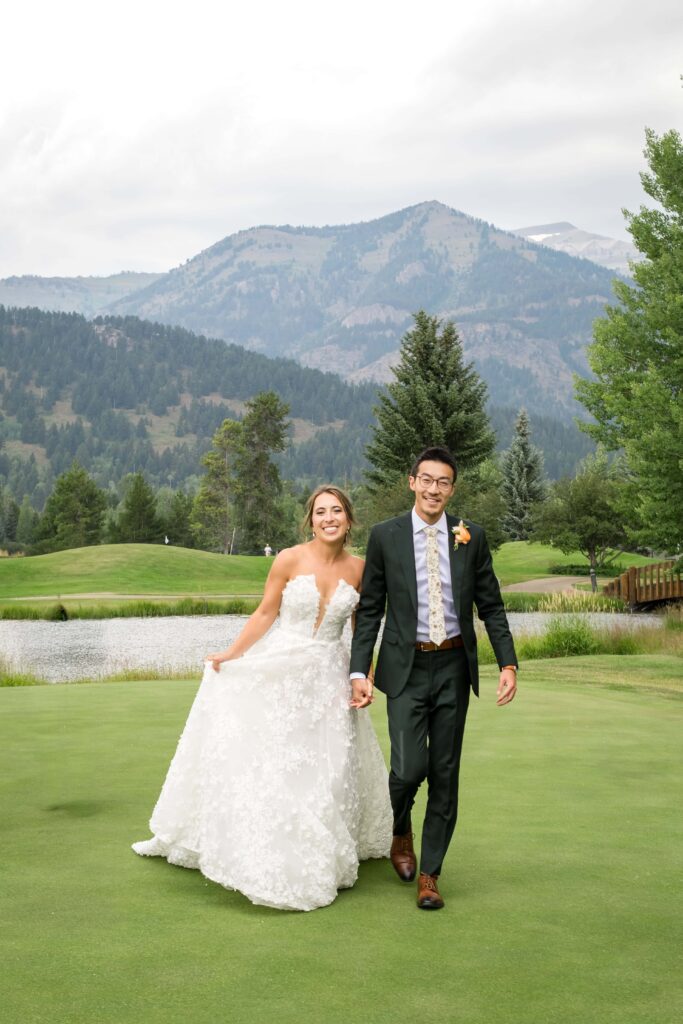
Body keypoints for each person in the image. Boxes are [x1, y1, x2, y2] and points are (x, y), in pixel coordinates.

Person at [132, 485, 392, 911]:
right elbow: (266, 612)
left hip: (330, 675)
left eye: (337, 511)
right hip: (282, 668)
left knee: (330, 763)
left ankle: (322, 846)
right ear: (311, 520)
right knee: (278, 757)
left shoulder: (360, 569)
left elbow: (362, 629)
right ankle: (259, 842)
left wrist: (363, 674)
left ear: (349, 519)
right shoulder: (289, 558)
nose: (329, 518)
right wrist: (232, 655)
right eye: (321, 512)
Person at [350, 446, 517, 911]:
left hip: (453, 668)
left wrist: (508, 663)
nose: (434, 489)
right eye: (427, 479)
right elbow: (370, 611)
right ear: (412, 482)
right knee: (408, 769)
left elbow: (492, 605)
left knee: (445, 771)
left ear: (452, 489)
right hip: (404, 669)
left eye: (443, 482)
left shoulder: (471, 537)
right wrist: (358, 669)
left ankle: (430, 873)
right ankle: (398, 829)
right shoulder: (385, 537)